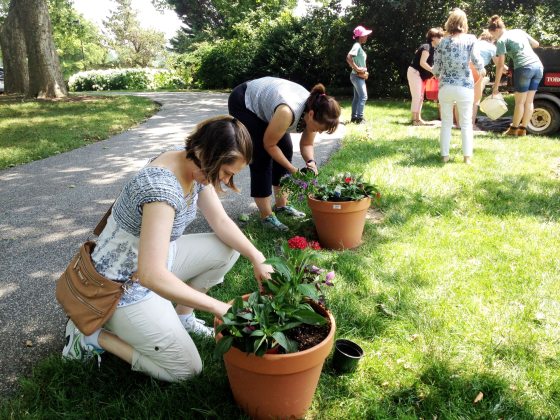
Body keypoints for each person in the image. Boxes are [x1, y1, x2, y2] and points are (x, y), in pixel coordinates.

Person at [62, 116, 273, 382]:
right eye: (227, 172)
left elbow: (220, 221)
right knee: (186, 370)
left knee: (227, 248)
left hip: (155, 260)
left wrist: (257, 257)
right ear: (206, 154)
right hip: (120, 287)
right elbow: (151, 276)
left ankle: (183, 318)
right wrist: (221, 308)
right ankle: (92, 336)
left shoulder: (193, 166)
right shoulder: (161, 190)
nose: (226, 180)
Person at [228, 76, 341, 232]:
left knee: (286, 148)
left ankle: (282, 205)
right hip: (244, 102)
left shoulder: (315, 110)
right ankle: (266, 217)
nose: (319, 132)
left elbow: (307, 143)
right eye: (319, 128)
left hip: (270, 104)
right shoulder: (287, 112)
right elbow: (269, 144)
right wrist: (293, 169)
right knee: (261, 155)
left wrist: (311, 162)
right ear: (311, 115)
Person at [432, 8, 485, 164]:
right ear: (464, 23)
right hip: (464, 86)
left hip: (446, 87)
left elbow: (436, 68)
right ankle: (467, 158)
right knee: (466, 123)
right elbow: (476, 60)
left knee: (446, 123)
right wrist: (482, 69)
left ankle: (444, 156)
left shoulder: (442, 42)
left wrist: (437, 74)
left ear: (450, 23)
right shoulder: (470, 39)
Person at [488, 15, 543, 136]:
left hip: (524, 68)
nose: (493, 38)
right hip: (538, 67)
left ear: (496, 30)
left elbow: (500, 66)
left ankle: (513, 130)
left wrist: (495, 87)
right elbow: (536, 44)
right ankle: (522, 129)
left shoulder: (502, 40)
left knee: (520, 102)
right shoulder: (518, 31)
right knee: (529, 101)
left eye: (493, 35)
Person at [407, 27, 444, 125]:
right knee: (417, 96)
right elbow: (422, 63)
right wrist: (433, 71)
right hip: (414, 73)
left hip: (419, 75)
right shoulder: (426, 47)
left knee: (420, 97)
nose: (441, 39)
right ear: (433, 38)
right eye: (439, 37)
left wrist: (435, 73)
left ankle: (418, 118)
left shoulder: (433, 48)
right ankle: (414, 120)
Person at [471, 30, 508, 130]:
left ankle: (458, 123)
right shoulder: (491, 46)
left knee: (463, 97)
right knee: (475, 99)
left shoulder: (475, 43)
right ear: (492, 39)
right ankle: (472, 125)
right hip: (477, 69)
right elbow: (499, 64)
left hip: (465, 69)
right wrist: (507, 70)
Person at [346, 25, 372, 124]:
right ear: (360, 36)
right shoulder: (356, 45)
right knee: (363, 96)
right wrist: (357, 68)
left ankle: (354, 118)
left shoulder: (358, 46)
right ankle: (359, 118)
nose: (366, 37)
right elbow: (349, 57)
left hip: (357, 76)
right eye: (365, 35)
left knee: (357, 98)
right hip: (357, 76)